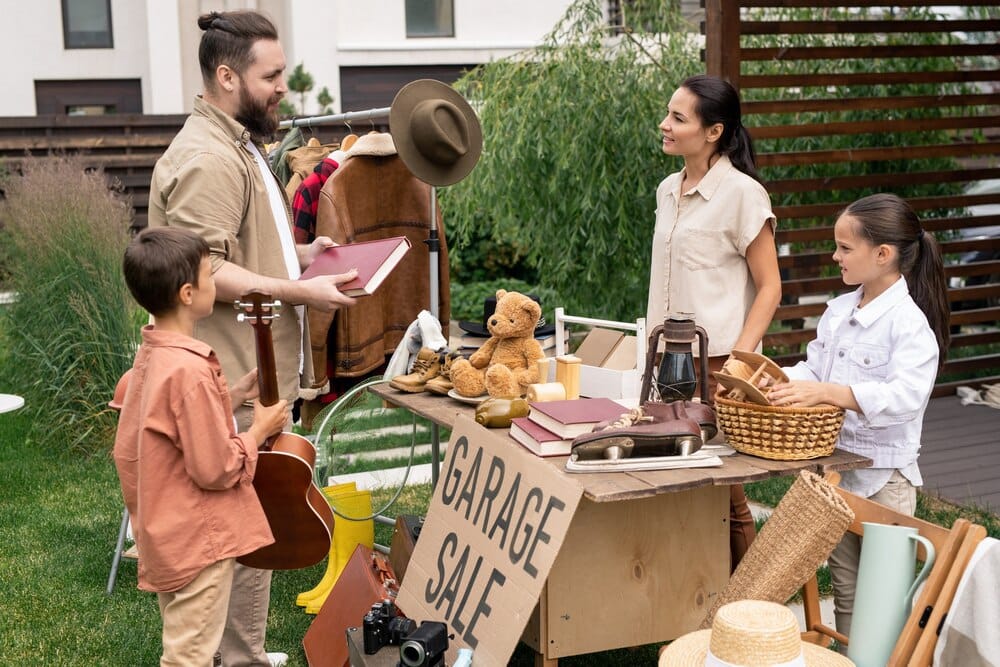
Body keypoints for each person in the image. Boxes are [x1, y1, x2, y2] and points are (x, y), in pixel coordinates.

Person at [147, 10, 358, 666]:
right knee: (235, 528)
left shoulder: (235, 140)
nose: (283, 89)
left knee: (252, 521)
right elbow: (203, 268)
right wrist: (305, 290)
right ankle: (232, 656)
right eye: (272, 77)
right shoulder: (208, 157)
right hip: (226, 374)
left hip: (246, 368)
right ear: (227, 74)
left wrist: (298, 251)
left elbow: (240, 243)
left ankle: (241, 650)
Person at [768, 193, 949, 644]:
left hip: (885, 481)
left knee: (883, 601)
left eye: (845, 248)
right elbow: (814, 369)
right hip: (839, 475)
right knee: (847, 592)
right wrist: (775, 378)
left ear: (882, 254)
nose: (835, 256)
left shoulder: (909, 326)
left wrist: (828, 393)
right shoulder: (838, 312)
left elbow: (905, 397)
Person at [114, 227, 290, 666]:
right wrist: (257, 430)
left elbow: (165, 424)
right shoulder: (189, 371)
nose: (216, 284)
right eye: (210, 276)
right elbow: (215, 468)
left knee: (185, 639)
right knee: (188, 655)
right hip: (198, 543)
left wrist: (226, 396)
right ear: (189, 293)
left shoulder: (152, 356)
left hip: (166, 532)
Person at [646, 74, 782, 570]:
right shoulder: (667, 189)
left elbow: (770, 287)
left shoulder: (744, 195)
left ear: (713, 132)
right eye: (668, 113)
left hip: (719, 362)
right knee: (677, 479)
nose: (664, 125)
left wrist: (740, 368)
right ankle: (694, 592)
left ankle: (756, 601)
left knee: (727, 492)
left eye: (678, 118)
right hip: (668, 360)